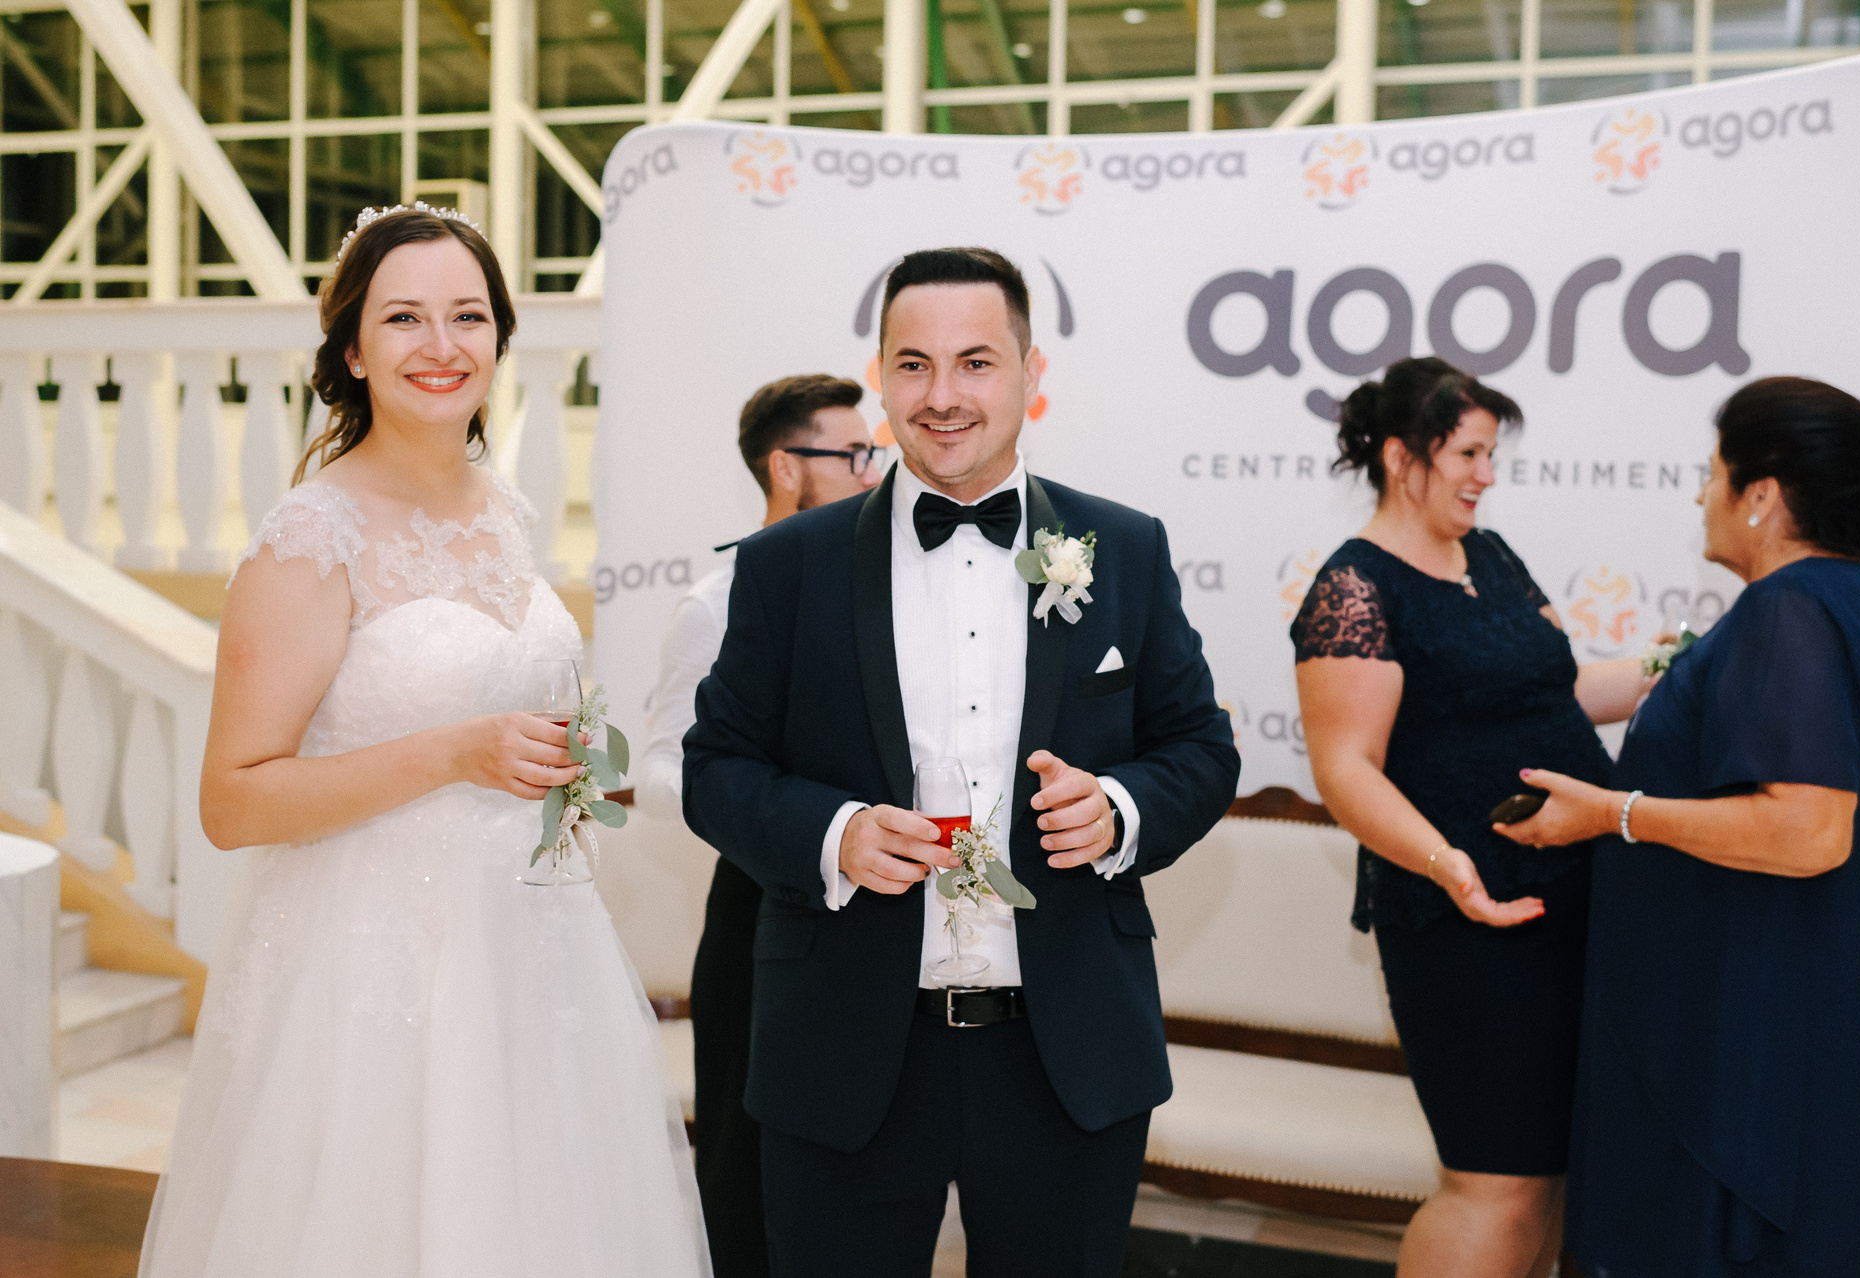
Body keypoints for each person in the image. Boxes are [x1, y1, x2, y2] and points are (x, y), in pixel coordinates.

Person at [138, 206, 709, 1278]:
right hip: (375, 985)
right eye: (404, 318)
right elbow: (233, 801)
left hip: (531, 958)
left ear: (499, 337)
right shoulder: (312, 536)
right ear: (353, 350)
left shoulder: (505, 510)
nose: (441, 345)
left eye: (468, 316)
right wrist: (454, 754)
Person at [681, 247, 1239, 1277]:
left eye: (976, 362)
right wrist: (836, 834)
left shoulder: (1125, 548)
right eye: (914, 365)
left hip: (1066, 1055)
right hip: (843, 1050)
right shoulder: (784, 568)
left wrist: (1120, 809)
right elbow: (715, 769)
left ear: (1032, 372)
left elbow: (1201, 749)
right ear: (881, 377)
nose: (942, 396)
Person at [1500, 377, 1860, 1278]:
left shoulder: (1789, 609)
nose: (1700, 496)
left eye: (1712, 473)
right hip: (1813, 1028)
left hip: (1749, 1057)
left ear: (1760, 494)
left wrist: (1609, 814)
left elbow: (1809, 831)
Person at [1291, 356, 1645, 1278]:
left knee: (1553, 1176)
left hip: (1573, 896)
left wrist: (1677, 668)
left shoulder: (1489, 556)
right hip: (1468, 919)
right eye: (1469, 454)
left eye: (1492, 454)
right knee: (1497, 1184)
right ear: (1402, 457)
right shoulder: (1355, 587)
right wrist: (1448, 864)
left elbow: (1554, 694)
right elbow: (1346, 769)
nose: (1487, 474)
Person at [633, 373, 882, 1278]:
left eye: (873, 454)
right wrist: (777, 814)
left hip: (881, 919)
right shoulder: (718, 602)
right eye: (852, 455)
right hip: (760, 913)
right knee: (746, 1168)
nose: (872, 472)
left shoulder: (886, 586)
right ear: (786, 467)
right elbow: (662, 771)